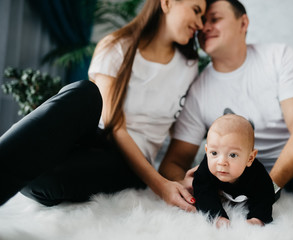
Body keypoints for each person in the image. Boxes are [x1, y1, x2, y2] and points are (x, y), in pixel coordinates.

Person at [159, 0, 293, 220]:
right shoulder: (198, 92)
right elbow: (173, 162)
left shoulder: (278, 56)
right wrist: (189, 183)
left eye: (214, 19)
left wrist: (268, 189)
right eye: (201, 21)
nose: (204, 27)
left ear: (243, 22)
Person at [0, 0, 206, 211]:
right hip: (95, 137)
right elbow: (114, 126)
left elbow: (179, 134)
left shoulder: (188, 66)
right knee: (86, 92)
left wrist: (171, 180)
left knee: (37, 176)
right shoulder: (116, 46)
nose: (200, 23)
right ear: (167, 3)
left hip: (129, 164)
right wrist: (161, 186)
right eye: (196, 11)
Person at [193, 114, 275, 227]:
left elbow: (265, 196)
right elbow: (203, 192)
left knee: (266, 195)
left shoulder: (258, 175)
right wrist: (217, 217)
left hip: (250, 190)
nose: (221, 162)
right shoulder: (205, 169)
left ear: (250, 158)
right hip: (219, 192)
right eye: (214, 153)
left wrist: (258, 218)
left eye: (232, 155)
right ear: (207, 151)